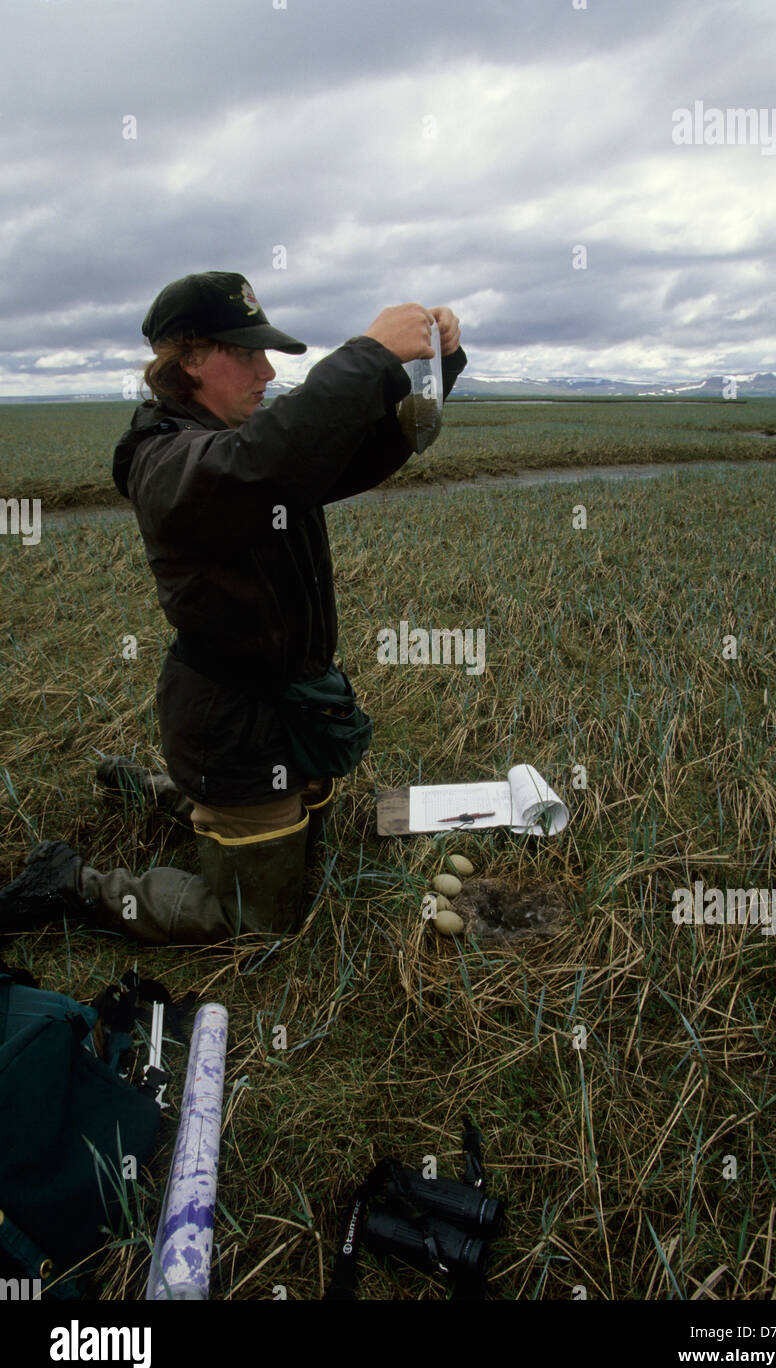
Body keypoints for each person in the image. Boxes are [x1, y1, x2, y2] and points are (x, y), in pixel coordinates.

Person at [0, 271, 467, 945]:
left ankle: (154, 792)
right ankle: (72, 883)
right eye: (246, 353)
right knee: (257, 918)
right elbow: (263, 462)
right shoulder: (169, 462)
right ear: (189, 358)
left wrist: (433, 366)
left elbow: (358, 449)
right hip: (232, 723)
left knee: (311, 839)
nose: (268, 370)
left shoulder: (248, 444)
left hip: (285, 711)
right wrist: (366, 352)